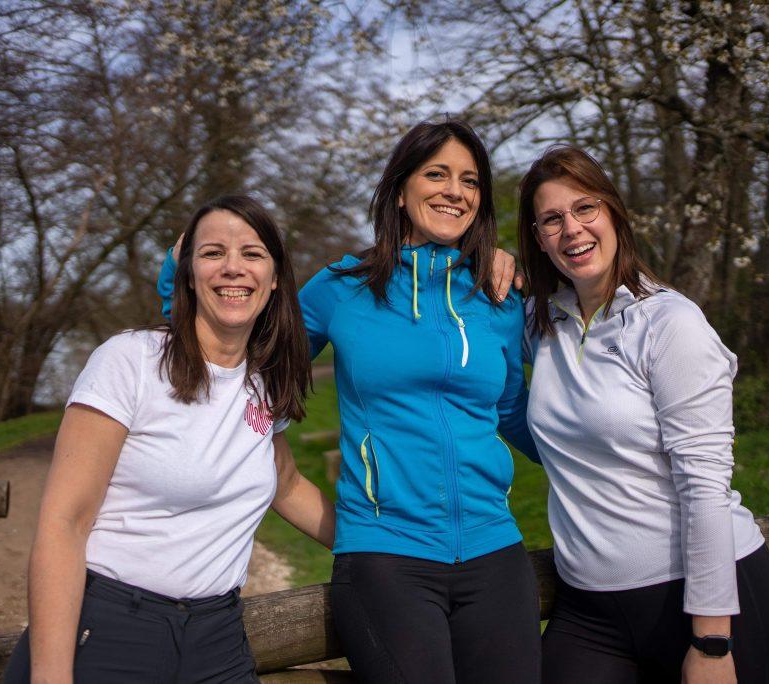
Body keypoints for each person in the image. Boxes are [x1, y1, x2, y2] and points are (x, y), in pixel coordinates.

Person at [157, 118, 541, 683]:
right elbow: (241, 346)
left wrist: (599, 469)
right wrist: (181, 268)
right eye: (436, 174)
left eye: (470, 180)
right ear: (401, 190)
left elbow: (513, 410)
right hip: (386, 557)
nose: (454, 191)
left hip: (496, 552)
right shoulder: (343, 287)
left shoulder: (498, 295)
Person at [6, 195, 335, 684]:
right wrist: (51, 676)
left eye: (251, 253)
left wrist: (377, 545)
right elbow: (64, 524)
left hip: (218, 636)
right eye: (211, 253)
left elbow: (284, 483)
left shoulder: (263, 382)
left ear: (274, 277)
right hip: (112, 626)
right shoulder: (130, 360)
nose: (232, 268)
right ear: (187, 274)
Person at [517, 145, 769, 684]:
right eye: (552, 219)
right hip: (588, 607)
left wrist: (712, 641)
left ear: (614, 214)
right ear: (537, 238)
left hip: (698, 600)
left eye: (586, 209)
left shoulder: (669, 322)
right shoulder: (541, 321)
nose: (572, 229)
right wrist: (493, 258)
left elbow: (704, 483)